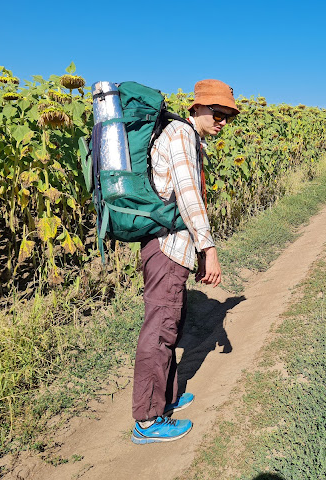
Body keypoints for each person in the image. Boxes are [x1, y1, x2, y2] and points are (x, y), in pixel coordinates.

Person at [130, 79, 240, 444]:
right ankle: (147, 420)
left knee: (170, 323)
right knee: (159, 331)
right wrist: (209, 249)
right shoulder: (180, 134)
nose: (222, 120)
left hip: (172, 247)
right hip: (165, 247)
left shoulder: (186, 135)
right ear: (197, 108)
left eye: (227, 114)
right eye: (216, 111)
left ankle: (169, 397)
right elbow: (189, 196)